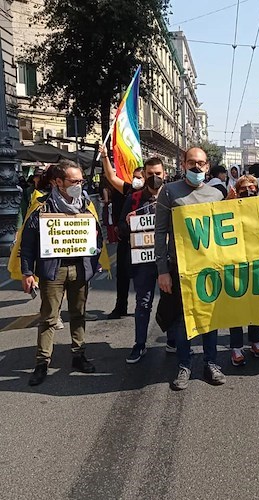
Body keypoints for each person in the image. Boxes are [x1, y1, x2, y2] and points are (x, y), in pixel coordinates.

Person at [20, 160, 104, 386]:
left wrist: (92, 261)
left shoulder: (86, 206)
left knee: (78, 314)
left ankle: (79, 355)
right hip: (52, 271)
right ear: (58, 182)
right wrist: (27, 272)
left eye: (81, 180)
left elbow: (98, 238)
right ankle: (42, 362)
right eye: (74, 181)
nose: (80, 184)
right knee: (48, 318)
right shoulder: (41, 208)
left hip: (79, 269)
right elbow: (27, 245)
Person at [155, 147, 226, 390]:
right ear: (183, 164)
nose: (197, 167)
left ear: (208, 166)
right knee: (182, 322)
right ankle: (184, 364)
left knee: (211, 319)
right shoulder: (169, 191)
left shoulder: (217, 195)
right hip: (179, 269)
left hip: (210, 269)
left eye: (202, 163)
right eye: (192, 162)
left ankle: (211, 362)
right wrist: (162, 270)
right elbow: (160, 232)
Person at [118, 157, 167, 363]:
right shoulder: (134, 198)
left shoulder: (172, 196)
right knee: (143, 303)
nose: (154, 177)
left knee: (171, 301)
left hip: (169, 260)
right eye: (150, 174)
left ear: (164, 174)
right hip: (143, 261)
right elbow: (120, 229)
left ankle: (173, 340)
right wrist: (127, 223)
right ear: (144, 174)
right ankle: (139, 344)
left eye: (158, 174)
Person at [100, 144, 145, 319]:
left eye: (140, 178)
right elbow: (111, 177)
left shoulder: (158, 194)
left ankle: (144, 307)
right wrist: (104, 157)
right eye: (135, 177)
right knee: (122, 275)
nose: (136, 180)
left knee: (145, 277)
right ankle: (121, 306)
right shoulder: (128, 190)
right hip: (127, 240)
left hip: (146, 242)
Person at [227, 175, 259, 366]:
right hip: (234, 263)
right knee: (236, 307)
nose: (249, 191)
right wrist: (228, 202)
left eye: (252, 188)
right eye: (244, 188)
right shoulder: (228, 207)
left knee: (255, 305)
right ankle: (236, 347)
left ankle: (255, 341)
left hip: (257, 262)